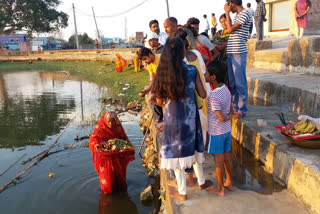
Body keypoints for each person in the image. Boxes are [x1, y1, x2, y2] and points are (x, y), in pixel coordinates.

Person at [150, 37, 210, 201]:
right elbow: (203, 94)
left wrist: (158, 100)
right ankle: (202, 181)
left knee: (176, 153)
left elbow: (158, 100)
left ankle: (183, 192)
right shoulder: (192, 70)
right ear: (183, 51)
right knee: (194, 149)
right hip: (191, 118)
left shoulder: (165, 74)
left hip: (173, 119)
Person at [205, 60, 234, 196]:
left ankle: (220, 189)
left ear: (213, 77)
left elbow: (221, 117)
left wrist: (231, 116)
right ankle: (229, 182)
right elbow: (230, 108)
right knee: (227, 157)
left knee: (218, 161)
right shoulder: (225, 89)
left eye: (206, 73)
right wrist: (231, 115)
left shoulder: (213, 96)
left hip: (216, 133)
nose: (204, 75)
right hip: (227, 131)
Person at [224, 0, 252, 118]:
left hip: (238, 52)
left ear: (232, 4)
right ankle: (235, 108)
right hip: (232, 52)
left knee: (240, 83)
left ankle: (242, 110)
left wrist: (226, 13)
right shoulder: (237, 15)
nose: (228, 8)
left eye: (229, 5)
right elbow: (228, 29)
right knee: (233, 82)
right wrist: (229, 15)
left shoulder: (245, 13)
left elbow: (230, 30)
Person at [138, 47, 163, 123]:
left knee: (158, 98)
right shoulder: (149, 64)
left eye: (145, 59)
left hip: (169, 83)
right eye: (143, 60)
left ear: (150, 54)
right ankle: (161, 114)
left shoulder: (162, 58)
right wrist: (146, 91)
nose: (145, 62)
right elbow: (153, 80)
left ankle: (167, 113)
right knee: (151, 98)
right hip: (159, 84)